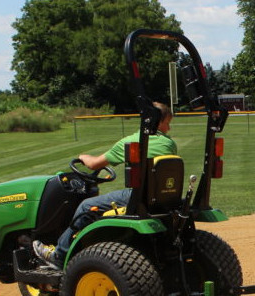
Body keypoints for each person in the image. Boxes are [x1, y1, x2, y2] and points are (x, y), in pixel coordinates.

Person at [33, 102, 177, 268]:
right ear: (157, 122)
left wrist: (83, 156)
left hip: (138, 196)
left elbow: (94, 164)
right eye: (168, 124)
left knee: (86, 206)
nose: (169, 129)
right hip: (160, 196)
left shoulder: (130, 142)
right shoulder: (169, 144)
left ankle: (59, 255)